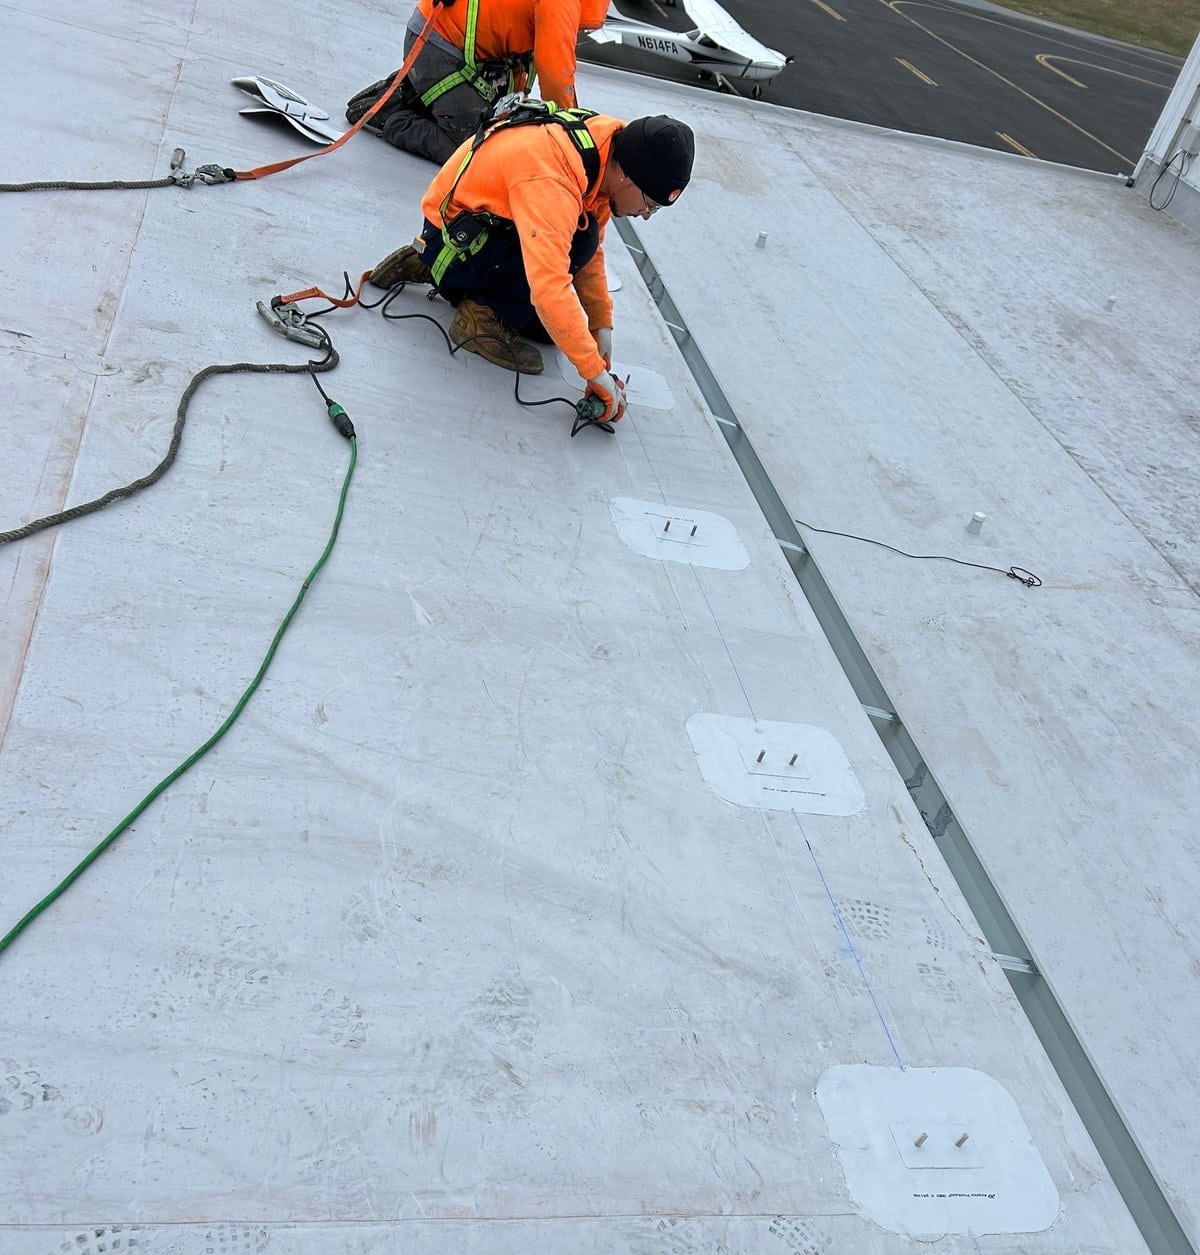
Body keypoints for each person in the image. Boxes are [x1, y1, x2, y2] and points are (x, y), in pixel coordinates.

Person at [368, 108, 695, 426]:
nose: (647, 214)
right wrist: (595, 374)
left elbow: (592, 256)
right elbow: (550, 289)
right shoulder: (554, 177)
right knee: (576, 249)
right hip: (454, 240)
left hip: (468, 226)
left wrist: (600, 326)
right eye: (650, 203)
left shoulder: (606, 150)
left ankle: (437, 269)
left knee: (549, 330)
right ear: (628, 177)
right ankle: (476, 317)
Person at [346, 0, 610, 165]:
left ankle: (414, 91)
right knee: (478, 149)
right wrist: (573, 131)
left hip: (446, 44)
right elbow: (555, 72)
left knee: (503, 129)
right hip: (438, 46)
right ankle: (392, 115)